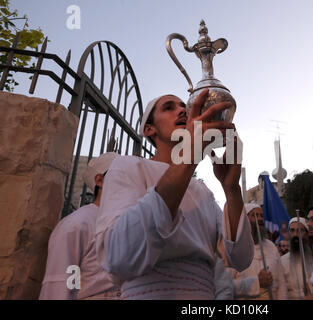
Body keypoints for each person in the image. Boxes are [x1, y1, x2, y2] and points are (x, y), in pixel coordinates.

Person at [94, 89, 254, 300]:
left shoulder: (201, 189)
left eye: (183, 107)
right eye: (169, 107)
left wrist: (231, 188)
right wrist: (189, 158)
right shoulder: (129, 166)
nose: (181, 111)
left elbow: (241, 259)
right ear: (149, 129)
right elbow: (120, 254)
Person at [40, 152, 120, 300]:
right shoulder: (77, 225)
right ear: (100, 180)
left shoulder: (133, 224)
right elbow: (61, 287)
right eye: (123, 174)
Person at [227, 203, 287, 300]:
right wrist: (256, 282)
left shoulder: (271, 246)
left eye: (261, 216)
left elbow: (281, 282)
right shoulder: (234, 248)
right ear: (244, 220)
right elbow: (226, 286)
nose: (260, 219)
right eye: (254, 215)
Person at [281, 217, 313, 299]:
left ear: (307, 233)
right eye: (292, 230)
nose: (295, 235)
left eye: (300, 231)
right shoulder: (282, 261)